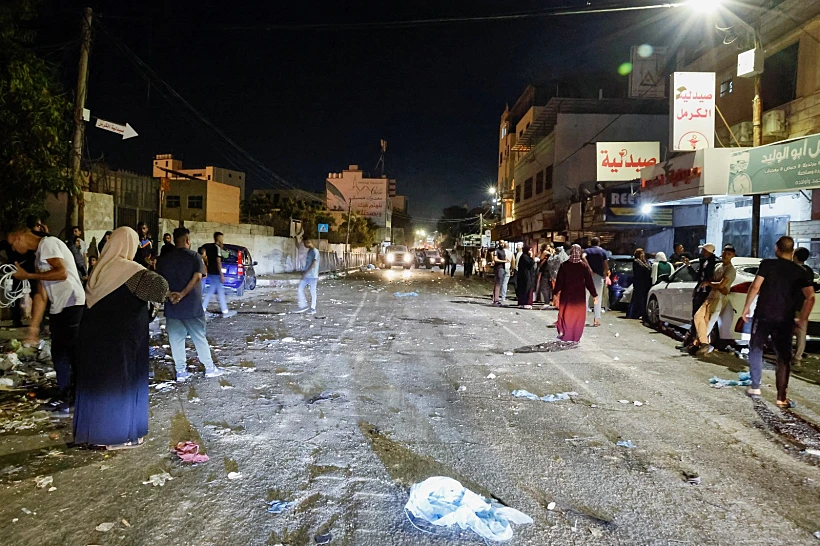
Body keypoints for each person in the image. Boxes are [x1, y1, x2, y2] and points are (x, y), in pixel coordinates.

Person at [73, 227, 169, 449]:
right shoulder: (132, 272)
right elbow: (160, 289)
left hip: (96, 340)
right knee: (122, 384)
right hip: (123, 341)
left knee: (101, 384)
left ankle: (97, 434)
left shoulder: (99, 270)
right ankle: (118, 437)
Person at [8, 226, 86, 414]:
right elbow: (41, 295)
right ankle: (65, 392)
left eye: (12, 244)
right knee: (59, 352)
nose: (12, 250)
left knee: (69, 353)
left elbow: (61, 272)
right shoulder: (39, 256)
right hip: (60, 307)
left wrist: (28, 276)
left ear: (19, 237)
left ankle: (73, 396)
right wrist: (33, 328)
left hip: (72, 303)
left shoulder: (49, 244)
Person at [742, 236, 815, 407]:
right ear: (793, 250)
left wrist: (747, 307)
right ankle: (781, 398)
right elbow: (810, 297)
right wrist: (803, 318)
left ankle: (755, 387)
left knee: (756, 347)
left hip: (764, 315)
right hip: (785, 319)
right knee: (783, 357)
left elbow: (755, 286)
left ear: (776, 248)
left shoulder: (767, 264)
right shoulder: (800, 271)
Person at [157, 227, 225, 381]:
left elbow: (159, 281)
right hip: (192, 308)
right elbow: (197, 277)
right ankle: (209, 368)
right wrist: (182, 294)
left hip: (172, 308)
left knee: (176, 340)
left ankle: (181, 371)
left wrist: (170, 295)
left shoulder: (164, 259)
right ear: (187, 240)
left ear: (174, 240)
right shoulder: (195, 256)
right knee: (199, 337)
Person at [692, 244, 737, 355]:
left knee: (708, 322)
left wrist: (709, 283)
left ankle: (700, 344)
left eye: (729, 254)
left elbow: (722, 285)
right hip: (710, 296)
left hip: (718, 298)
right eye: (724, 253)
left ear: (733, 256)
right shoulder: (718, 266)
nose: (725, 256)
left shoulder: (730, 270)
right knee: (698, 317)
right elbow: (714, 282)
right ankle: (702, 343)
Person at [554, 244, 597, 342]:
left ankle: (566, 334)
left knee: (567, 315)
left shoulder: (564, 265)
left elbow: (559, 281)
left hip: (567, 295)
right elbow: (589, 282)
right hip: (579, 297)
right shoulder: (584, 266)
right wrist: (594, 295)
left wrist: (556, 293)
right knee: (578, 317)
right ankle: (575, 336)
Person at [683, 244, 718, 347]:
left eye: (704, 250)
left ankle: (697, 341)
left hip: (707, 293)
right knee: (695, 316)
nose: (702, 252)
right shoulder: (703, 262)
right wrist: (689, 266)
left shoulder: (715, 263)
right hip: (699, 291)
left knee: (701, 318)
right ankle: (691, 341)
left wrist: (708, 284)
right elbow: (697, 276)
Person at [792, 247, 816, 364]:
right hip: (804, 305)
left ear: (794, 256)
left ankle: (785, 355)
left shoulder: (792, 270)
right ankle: (798, 358)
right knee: (801, 332)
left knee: (787, 330)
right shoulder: (809, 271)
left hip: (791, 305)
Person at [202, 231, 233, 316]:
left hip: (210, 271)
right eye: (221, 238)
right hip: (216, 272)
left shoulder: (208, 247)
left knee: (212, 290)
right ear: (218, 238)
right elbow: (218, 262)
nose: (222, 240)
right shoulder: (217, 248)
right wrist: (222, 275)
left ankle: (203, 308)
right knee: (219, 291)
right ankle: (225, 311)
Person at [584, 237, 609, 327]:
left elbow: (582, 257)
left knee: (585, 296)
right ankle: (596, 319)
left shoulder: (587, 251)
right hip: (599, 276)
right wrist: (605, 275)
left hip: (587, 276)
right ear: (599, 243)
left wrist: (589, 268)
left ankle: (583, 318)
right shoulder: (603, 252)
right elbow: (606, 265)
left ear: (591, 243)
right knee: (597, 297)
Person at [294, 239, 320, 314]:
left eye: (304, 243)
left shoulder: (315, 251)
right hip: (307, 275)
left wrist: (306, 273)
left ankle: (313, 308)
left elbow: (313, 263)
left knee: (312, 291)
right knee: (300, 288)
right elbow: (308, 263)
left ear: (308, 242)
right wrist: (304, 272)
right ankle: (303, 306)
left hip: (312, 275)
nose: (304, 245)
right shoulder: (309, 251)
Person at [627, 248, 652, 320]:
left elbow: (649, 268)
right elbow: (645, 269)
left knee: (641, 299)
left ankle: (639, 313)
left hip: (644, 283)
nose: (643, 255)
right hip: (639, 283)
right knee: (637, 299)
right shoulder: (636, 262)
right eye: (642, 253)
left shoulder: (643, 261)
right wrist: (645, 262)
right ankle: (633, 314)